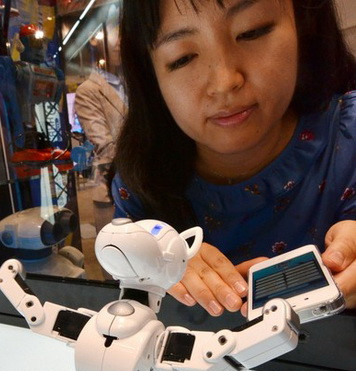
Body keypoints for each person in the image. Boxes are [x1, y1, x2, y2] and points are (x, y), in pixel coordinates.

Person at [112, 0, 356, 316]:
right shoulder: (142, 183)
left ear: (303, 23)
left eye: (252, 31)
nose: (225, 81)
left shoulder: (348, 136)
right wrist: (154, 267)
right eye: (183, 57)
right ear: (151, 76)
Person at [74, 10, 127, 204]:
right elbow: (105, 147)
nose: (119, 42)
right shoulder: (87, 91)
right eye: (114, 35)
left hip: (149, 188)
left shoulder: (133, 84)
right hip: (113, 189)